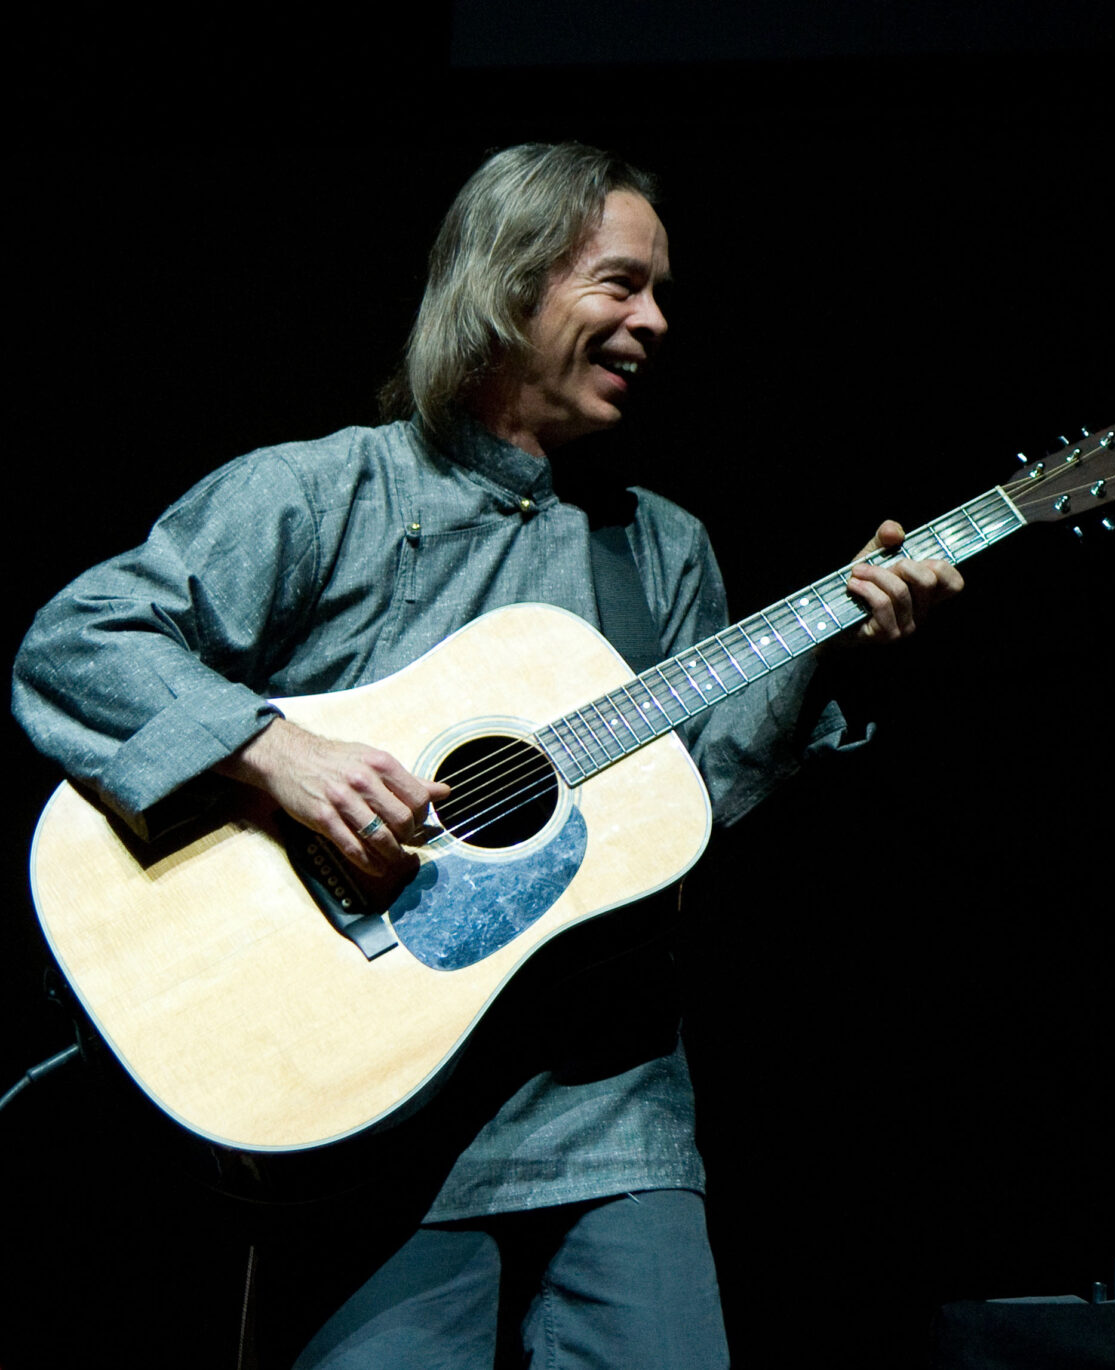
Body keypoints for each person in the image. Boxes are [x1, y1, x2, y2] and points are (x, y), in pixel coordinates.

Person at [12, 143, 962, 1366]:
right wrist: (277, 750)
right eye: (621, 283)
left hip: (611, 1115)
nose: (655, 320)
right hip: (366, 1109)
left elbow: (690, 806)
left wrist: (838, 648)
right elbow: (80, 642)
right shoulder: (323, 491)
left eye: (662, 291)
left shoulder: (656, 548)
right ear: (509, 282)